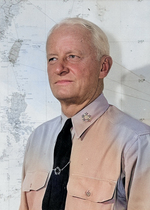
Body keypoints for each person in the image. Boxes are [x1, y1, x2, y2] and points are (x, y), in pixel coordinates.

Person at [19, 17, 150, 210]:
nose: (59, 68)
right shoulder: (37, 139)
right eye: (52, 58)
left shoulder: (136, 142)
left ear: (103, 67)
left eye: (73, 56)